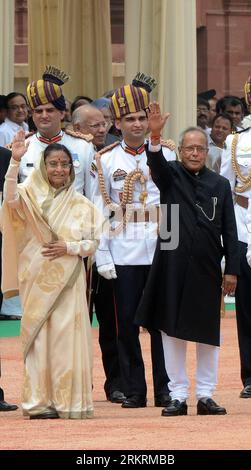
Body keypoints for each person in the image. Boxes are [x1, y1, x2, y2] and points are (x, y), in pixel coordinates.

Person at [136, 103, 239, 416]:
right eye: (189, 148)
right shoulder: (170, 178)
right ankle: (177, 395)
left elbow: (230, 231)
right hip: (171, 267)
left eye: (200, 148)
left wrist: (231, 270)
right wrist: (154, 134)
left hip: (208, 270)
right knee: (171, 331)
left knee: (208, 334)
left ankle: (206, 394)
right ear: (179, 151)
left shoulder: (220, 185)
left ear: (207, 151)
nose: (194, 153)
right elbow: (154, 161)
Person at [1, 129, 103, 419]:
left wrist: (68, 247)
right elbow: (9, 201)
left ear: (72, 168)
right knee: (38, 339)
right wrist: (14, 162)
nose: (59, 169)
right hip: (35, 277)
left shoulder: (82, 204)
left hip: (69, 281)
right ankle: (37, 403)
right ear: (44, 167)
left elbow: (93, 243)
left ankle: (68, 402)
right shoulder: (28, 194)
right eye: (53, 164)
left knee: (66, 341)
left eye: (64, 164)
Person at [91, 82, 176, 408]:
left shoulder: (166, 151)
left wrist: (172, 249)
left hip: (159, 244)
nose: (137, 124)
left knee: (162, 325)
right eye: (130, 119)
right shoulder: (106, 158)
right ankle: (134, 389)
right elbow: (100, 207)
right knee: (125, 323)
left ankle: (165, 388)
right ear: (117, 124)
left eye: (141, 117)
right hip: (123, 248)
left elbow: (173, 203)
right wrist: (102, 254)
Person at [72, 104, 125, 403]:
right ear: (77, 128)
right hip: (74, 248)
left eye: (104, 123)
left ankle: (115, 382)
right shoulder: (69, 154)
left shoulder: (112, 157)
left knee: (111, 319)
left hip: (106, 246)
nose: (101, 129)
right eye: (94, 125)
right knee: (76, 321)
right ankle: (79, 385)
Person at [19, 65, 94, 199]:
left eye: (50, 110)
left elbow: (93, 194)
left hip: (74, 217)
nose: (44, 115)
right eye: (38, 111)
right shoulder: (22, 148)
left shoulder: (83, 147)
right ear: (32, 115)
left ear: (61, 114)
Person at [221, 75, 251, 399]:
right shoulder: (235, 143)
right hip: (245, 228)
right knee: (247, 307)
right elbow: (224, 191)